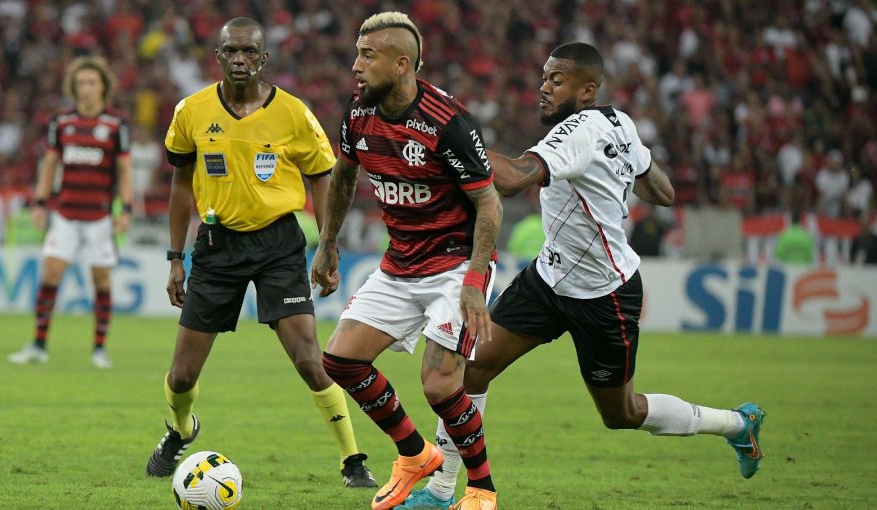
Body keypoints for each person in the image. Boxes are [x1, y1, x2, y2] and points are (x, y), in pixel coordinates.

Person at [402, 42, 766, 509]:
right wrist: (618, 174)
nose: (543, 88)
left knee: (622, 413)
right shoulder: (619, 122)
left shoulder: (577, 133)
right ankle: (440, 491)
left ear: (587, 90)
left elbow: (512, 179)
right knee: (471, 368)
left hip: (604, 294)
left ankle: (737, 425)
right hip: (548, 279)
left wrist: (444, 135)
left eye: (557, 80)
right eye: (544, 78)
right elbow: (663, 190)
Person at [143, 17, 376, 489]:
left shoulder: (292, 112)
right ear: (218, 57)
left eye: (249, 52)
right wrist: (175, 256)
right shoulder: (192, 111)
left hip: (278, 244)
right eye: (231, 51)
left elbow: (322, 176)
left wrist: (327, 244)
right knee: (183, 375)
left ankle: (353, 460)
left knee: (310, 360)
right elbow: (181, 184)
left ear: (264, 58)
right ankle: (180, 430)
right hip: (215, 244)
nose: (240, 60)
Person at [310, 12, 503, 510]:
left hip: (456, 265)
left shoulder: (447, 122)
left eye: (366, 56)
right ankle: (415, 455)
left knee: (439, 384)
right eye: (356, 53)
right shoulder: (358, 112)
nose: (355, 65)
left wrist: (475, 281)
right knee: (340, 359)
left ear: (401, 65)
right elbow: (345, 175)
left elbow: (489, 203)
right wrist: (327, 241)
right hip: (400, 263)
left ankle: (482, 489)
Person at [8, 56, 132, 370]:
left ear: (103, 86)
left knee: (101, 281)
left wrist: (126, 208)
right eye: (80, 84)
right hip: (65, 214)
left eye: (92, 83)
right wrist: (39, 202)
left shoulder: (116, 124)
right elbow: (50, 164)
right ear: (73, 88)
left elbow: (125, 169)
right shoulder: (62, 121)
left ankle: (99, 349)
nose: (86, 89)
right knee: (50, 274)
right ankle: (38, 344)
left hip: (99, 217)